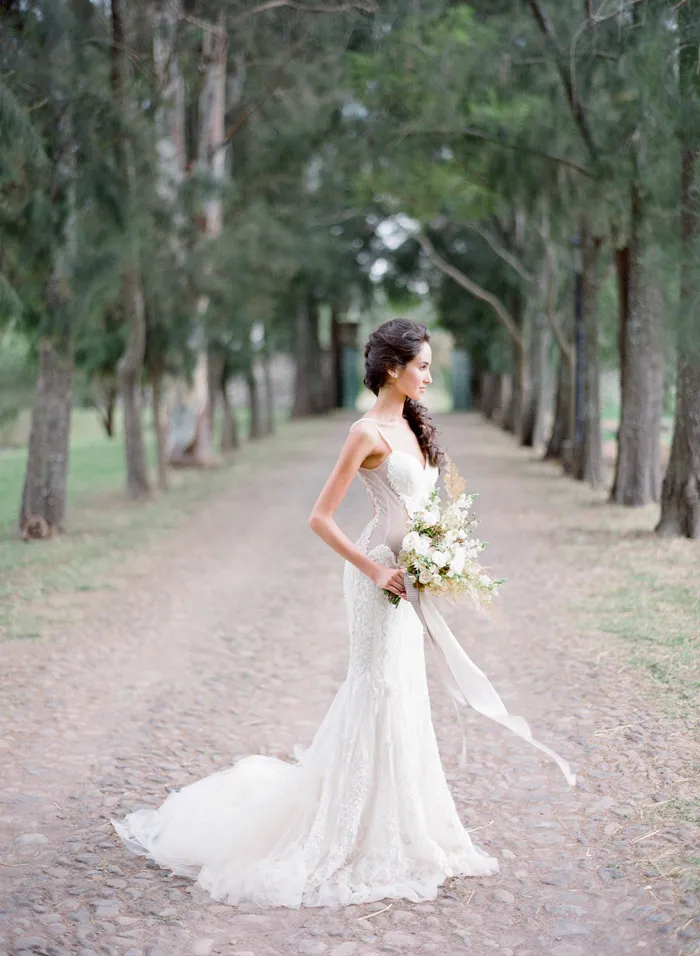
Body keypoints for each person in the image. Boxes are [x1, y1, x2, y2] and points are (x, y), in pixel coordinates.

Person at [112, 318, 572, 909]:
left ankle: (405, 825)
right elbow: (320, 517)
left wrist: (439, 555)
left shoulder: (413, 425)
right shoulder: (365, 432)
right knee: (377, 687)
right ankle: (348, 832)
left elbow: (424, 505)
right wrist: (375, 569)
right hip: (376, 577)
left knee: (405, 691)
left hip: (410, 578)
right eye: (422, 367)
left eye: (431, 367)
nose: (429, 377)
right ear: (392, 369)